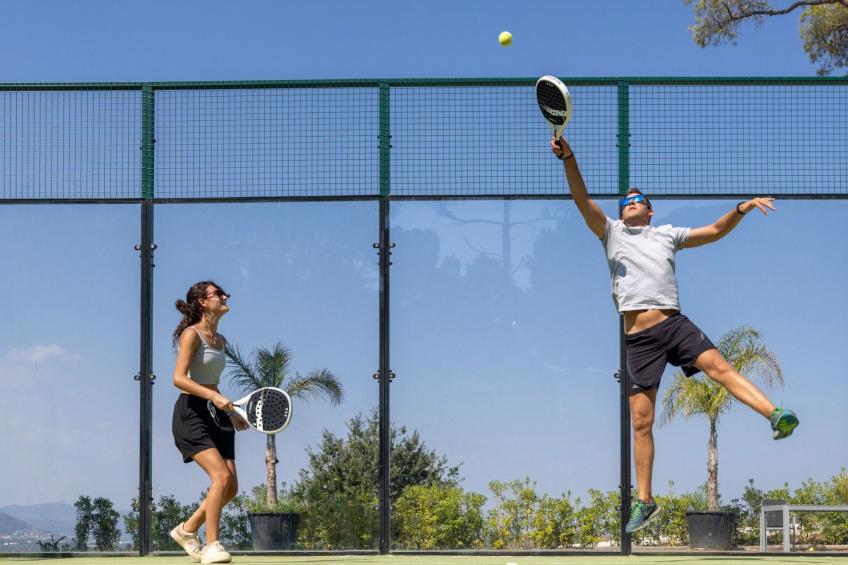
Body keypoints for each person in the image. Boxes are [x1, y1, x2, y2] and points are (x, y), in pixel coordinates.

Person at [550, 136, 799, 534]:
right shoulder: (610, 232)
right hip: (638, 339)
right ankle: (645, 502)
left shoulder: (667, 235)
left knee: (719, 367)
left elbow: (716, 231)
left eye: (637, 199)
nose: (628, 202)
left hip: (673, 324)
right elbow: (583, 201)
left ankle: (776, 414)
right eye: (624, 201)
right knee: (641, 421)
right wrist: (569, 159)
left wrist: (741, 209)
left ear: (649, 210)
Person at [169, 281, 247, 564]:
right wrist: (215, 398)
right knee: (221, 477)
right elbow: (179, 378)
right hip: (191, 413)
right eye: (218, 294)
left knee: (232, 487)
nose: (225, 297)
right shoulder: (191, 334)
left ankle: (187, 529)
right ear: (202, 302)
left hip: (217, 414)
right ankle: (212, 545)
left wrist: (230, 411)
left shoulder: (221, 340)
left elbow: (212, 382)